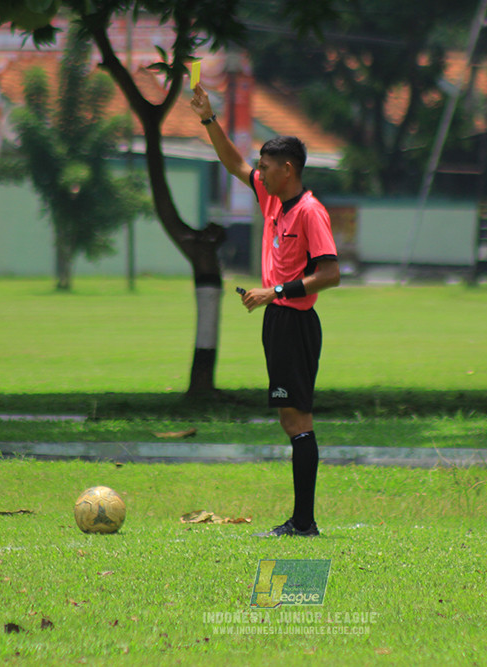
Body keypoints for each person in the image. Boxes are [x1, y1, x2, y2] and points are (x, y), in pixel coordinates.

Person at [191, 84, 341, 538]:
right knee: (289, 417)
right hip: (278, 318)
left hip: (294, 320)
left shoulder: (310, 212)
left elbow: (330, 273)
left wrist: (273, 291)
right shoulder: (273, 197)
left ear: (288, 169)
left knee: (297, 419)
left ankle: (303, 522)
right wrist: (207, 119)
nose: (259, 172)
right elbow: (234, 163)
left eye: (267, 166)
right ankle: (301, 519)